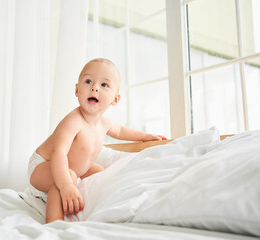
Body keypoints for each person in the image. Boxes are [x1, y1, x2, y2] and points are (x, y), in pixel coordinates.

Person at [28, 58, 166, 223]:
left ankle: (97, 210)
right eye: (88, 81)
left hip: (74, 167)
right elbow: (59, 152)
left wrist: (144, 136)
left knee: (99, 171)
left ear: (115, 99)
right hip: (43, 166)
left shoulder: (104, 123)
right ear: (77, 90)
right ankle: (54, 223)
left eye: (104, 85)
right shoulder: (73, 120)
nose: (94, 87)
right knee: (68, 177)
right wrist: (66, 186)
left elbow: (121, 131)